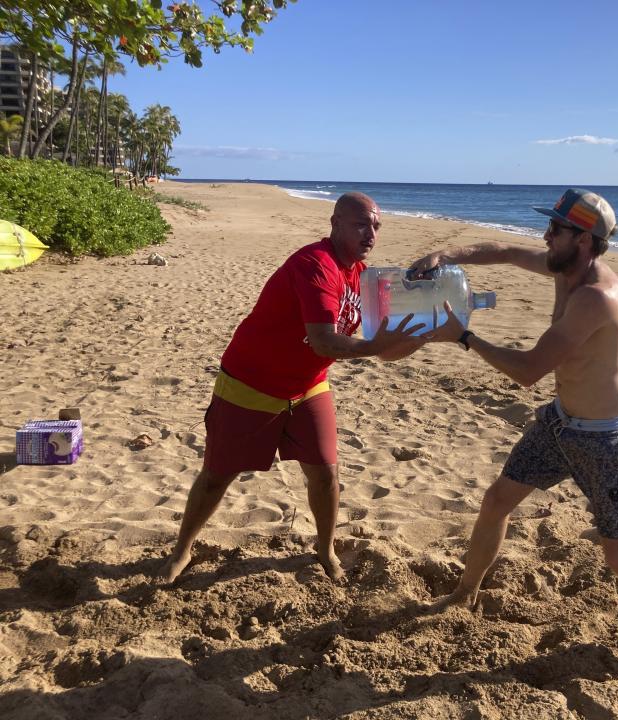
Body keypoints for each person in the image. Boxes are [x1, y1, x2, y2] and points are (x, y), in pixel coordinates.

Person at [408, 188, 618, 661]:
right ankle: (465, 594)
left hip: (606, 437)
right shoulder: (564, 267)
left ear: (584, 240)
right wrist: (445, 253)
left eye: (555, 229)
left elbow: (528, 372)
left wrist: (463, 337)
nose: (545, 236)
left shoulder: (595, 296)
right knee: (497, 501)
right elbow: (504, 251)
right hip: (561, 421)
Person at [160, 192, 425, 584]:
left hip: (308, 386)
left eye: (376, 226)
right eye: (360, 225)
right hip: (250, 382)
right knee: (218, 475)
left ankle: (325, 549)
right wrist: (376, 345)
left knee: (325, 473)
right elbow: (324, 341)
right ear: (334, 224)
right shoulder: (315, 265)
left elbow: (381, 349)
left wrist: (421, 334)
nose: (370, 233)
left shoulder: (362, 275)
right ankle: (181, 551)